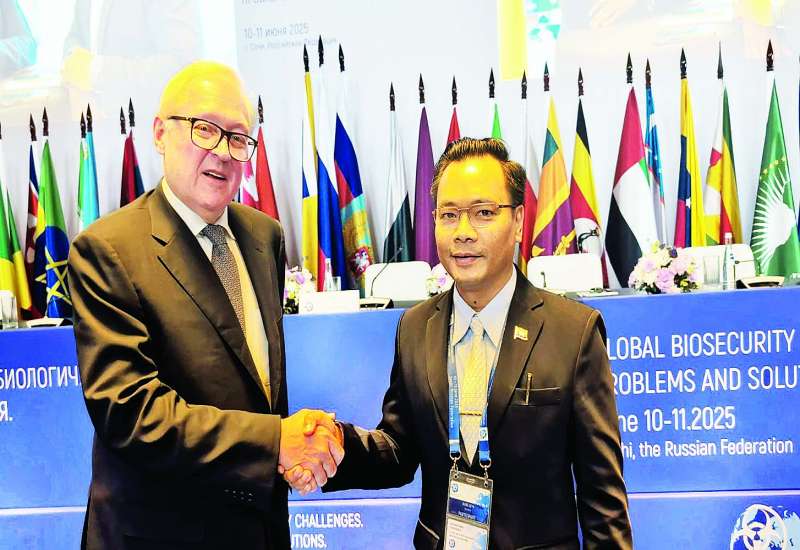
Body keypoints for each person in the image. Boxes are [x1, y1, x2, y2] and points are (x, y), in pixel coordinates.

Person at [288, 138, 632, 549]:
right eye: (449, 215)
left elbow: (602, 496)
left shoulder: (573, 332)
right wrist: (333, 443)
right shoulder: (416, 326)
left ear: (518, 221)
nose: (463, 233)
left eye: (483, 213)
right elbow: (398, 451)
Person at [68, 61, 342, 550]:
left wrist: (294, 451)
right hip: (160, 536)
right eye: (205, 129)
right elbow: (130, 414)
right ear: (160, 133)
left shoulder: (263, 236)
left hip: (257, 529)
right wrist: (275, 442)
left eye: (238, 137)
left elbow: (256, 387)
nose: (222, 151)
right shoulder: (107, 249)